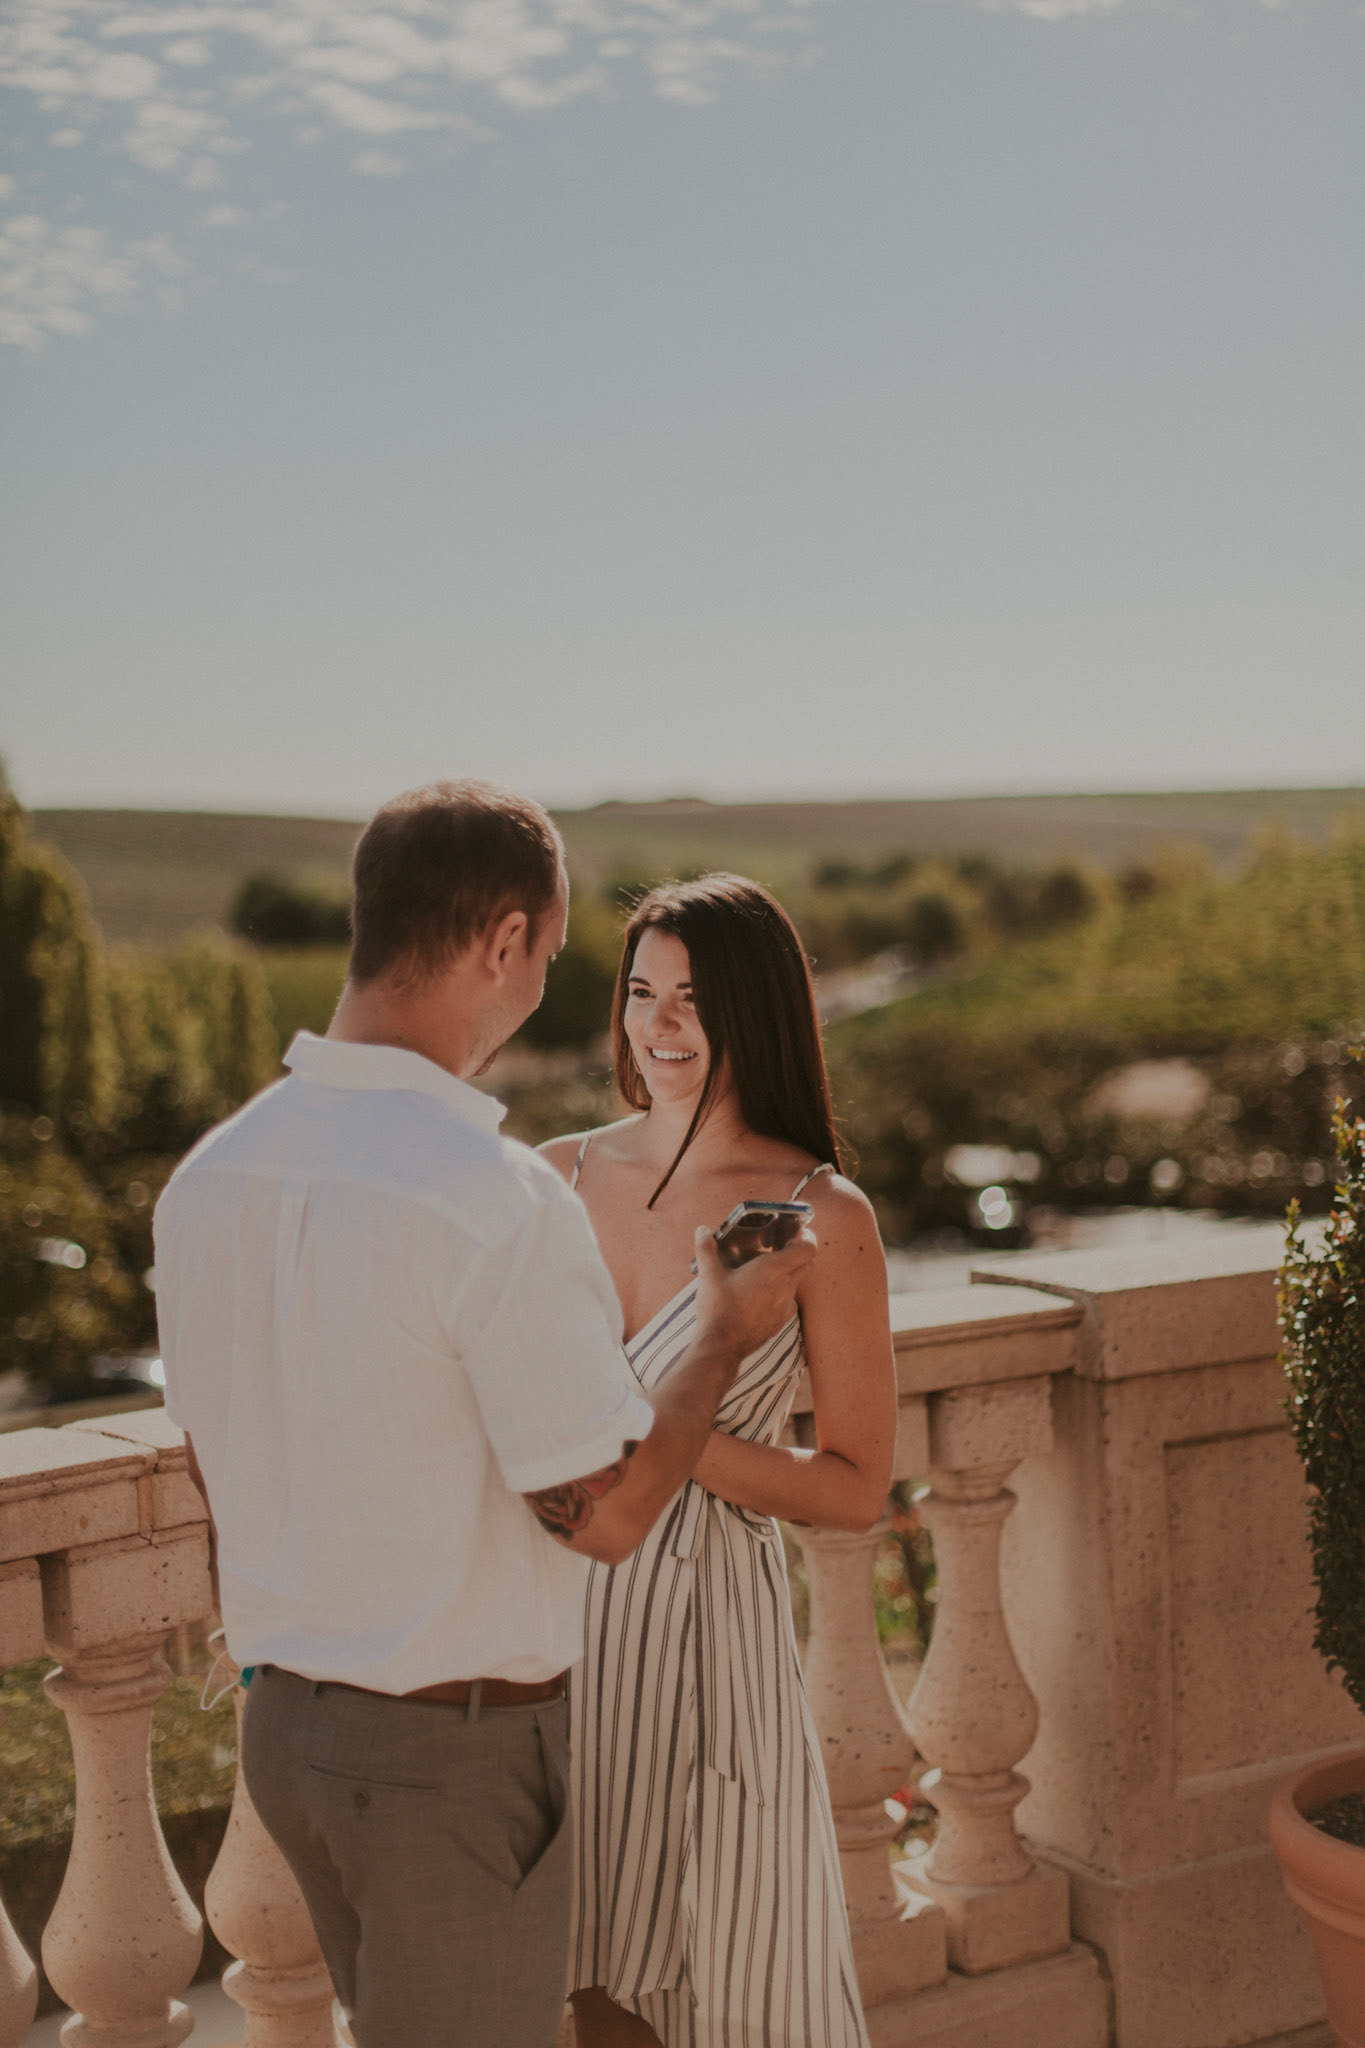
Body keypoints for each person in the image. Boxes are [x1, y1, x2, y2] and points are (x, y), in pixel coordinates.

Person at [153, 785, 816, 2048]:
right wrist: (723, 1332)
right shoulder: (490, 1194)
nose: (544, 983)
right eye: (552, 953)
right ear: (504, 939)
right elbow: (608, 1515)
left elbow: (209, 1460)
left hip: (286, 1735)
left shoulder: (209, 1178)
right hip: (447, 1764)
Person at [540, 873, 897, 2048]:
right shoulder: (552, 1176)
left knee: (735, 1978)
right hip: (549, 1626)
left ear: (757, 1008)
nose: (660, 1023)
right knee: (590, 1982)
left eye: (692, 997)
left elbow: (854, 1486)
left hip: (708, 1636)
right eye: (642, 991)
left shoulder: (817, 1211)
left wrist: (659, 1441)